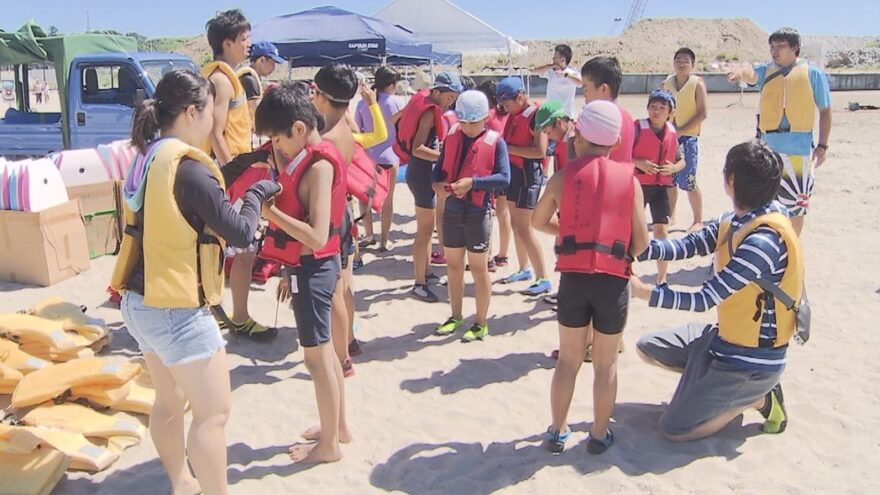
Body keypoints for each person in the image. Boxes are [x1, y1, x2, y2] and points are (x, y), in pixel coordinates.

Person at [111, 70, 280, 494]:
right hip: (175, 309)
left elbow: (201, 194)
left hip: (139, 299)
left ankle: (181, 482)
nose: (216, 122)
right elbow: (240, 231)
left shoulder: (149, 156)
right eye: (213, 111)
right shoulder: (188, 168)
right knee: (213, 414)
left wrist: (243, 166)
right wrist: (258, 194)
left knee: (169, 402)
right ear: (192, 112)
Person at [631, 139, 804, 441]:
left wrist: (645, 292)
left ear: (731, 180)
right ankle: (717, 388)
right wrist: (638, 249)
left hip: (753, 358)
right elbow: (688, 245)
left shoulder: (762, 242)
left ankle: (758, 397)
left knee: (675, 430)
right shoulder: (737, 219)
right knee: (649, 346)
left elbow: (704, 299)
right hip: (727, 337)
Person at [532, 100, 648, 455]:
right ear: (615, 143)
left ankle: (557, 430)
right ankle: (598, 434)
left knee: (568, 360)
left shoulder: (561, 178)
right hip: (612, 280)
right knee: (605, 363)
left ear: (577, 135)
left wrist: (568, 233)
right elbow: (640, 243)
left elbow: (537, 222)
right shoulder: (630, 180)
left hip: (574, 279)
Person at [255, 83, 350, 463]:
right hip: (306, 267)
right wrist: (283, 269)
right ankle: (338, 427)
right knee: (326, 354)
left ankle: (328, 447)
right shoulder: (308, 158)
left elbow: (317, 233)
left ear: (298, 129)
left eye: (278, 139)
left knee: (317, 359)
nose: (276, 147)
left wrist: (269, 213)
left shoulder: (320, 166)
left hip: (315, 269)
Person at [202, 9, 272, 338]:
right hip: (229, 176)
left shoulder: (228, 75)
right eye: (244, 39)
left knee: (238, 249)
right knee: (242, 247)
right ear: (227, 42)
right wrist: (229, 177)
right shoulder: (220, 80)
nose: (249, 45)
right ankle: (238, 316)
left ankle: (228, 313)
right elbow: (216, 134)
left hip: (232, 173)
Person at [727, 27, 832, 236]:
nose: (774, 51)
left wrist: (822, 145)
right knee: (762, 202)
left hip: (799, 151)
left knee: (796, 206)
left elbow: (825, 112)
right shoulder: (766, 71)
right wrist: (740, 72)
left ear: (795, 48)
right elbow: (751, 75)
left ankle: (791, 249)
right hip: (768, 150)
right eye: (772, 47)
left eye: (780, 47)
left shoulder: (813, 74)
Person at [432, 90, 511, 341]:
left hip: (478, 211)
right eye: (462, 122)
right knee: (453, 267)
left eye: (472, 123)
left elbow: (504, 178)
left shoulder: (496, 142)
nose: (466, 128)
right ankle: (455, 316)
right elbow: (438, 169)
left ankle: (480, 322)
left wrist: (473, 182)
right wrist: (436, 185)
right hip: (453, 209)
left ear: (485, 119)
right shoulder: (453, 135)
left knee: (479, 270)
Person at [394, 72, 464, 302]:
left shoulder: (423, 103)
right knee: (424, 232)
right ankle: (419, 284)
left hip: (421, 172)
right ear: (436, 91)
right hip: (421, 173)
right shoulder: (427, 113)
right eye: (449, 97)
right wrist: (445, 156)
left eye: (454, 98)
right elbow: (418, 148)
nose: (450, 102)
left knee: (426, 229)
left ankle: (427, 273)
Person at [310, 64, 360, 378]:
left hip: (331, 217)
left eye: (314, 92)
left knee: (336, 290)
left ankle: (342, 359)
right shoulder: (344, 128)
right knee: (345, 285)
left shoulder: (326, 137)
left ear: (324, 97)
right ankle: (350, 343)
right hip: (344, 213)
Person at [496, 76, 552, 296]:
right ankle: (524, 269)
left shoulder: (536, 115)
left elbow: (539, 151)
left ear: (520, 97)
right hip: (514, 173)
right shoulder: (516, 114)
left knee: (525, 227)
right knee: (516, 224)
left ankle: (543, 277)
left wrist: (508, 149)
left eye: (508, 105)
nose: (506, 110)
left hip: (529, 173)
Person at [632, 89, 685, 285]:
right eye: (653, 107)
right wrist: (639, 162)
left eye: (662, 108)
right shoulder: (636, 128)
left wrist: (673, 168)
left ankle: (662, 278)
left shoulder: (671, 132)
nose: (656, 111)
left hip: (660, 188)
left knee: (662, 232)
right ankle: (627, 271)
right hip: (637, 187)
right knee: (632, 231)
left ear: (670, 112)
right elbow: (621, 155)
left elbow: (682, 161)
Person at [355, 66, 403, 252]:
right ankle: (384, 239)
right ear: (391, 84)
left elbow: (359, 131)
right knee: (387, 200)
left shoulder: (362, 103)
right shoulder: (396, 103)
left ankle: (369, 234)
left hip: (368, 157)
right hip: (390, 156)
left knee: (364, 197)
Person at [662, 47, 707, 231]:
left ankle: (698, 219)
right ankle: (671, 215)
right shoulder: (667, 83)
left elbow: (702, 113)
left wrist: (681, 130)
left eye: (686, 61)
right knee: (669, 179)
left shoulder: (697, 84)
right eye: (678, 60)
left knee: (689, 179)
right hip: (670, 136)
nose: (681, 64)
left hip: (688, 137)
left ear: (692, 64)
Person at [477, 79, 509, 272]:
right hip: (508, 167)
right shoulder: (506, 114)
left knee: (488, 211)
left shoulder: (486, 117)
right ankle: (503, 254)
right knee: (503, 213)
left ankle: (487, 257)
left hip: (491, 167)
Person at [580, 57, 634, 165]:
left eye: (586, 89)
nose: (584, 94)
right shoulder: (628, 117)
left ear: (603, 89)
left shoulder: (596, 119)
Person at [238, 40, 285, 126]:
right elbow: (257, 112)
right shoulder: (249, 79)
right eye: (272, 63)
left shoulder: (248, 76)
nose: (274, 68)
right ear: (262, 60)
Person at [533, 44, 581, 118]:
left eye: (555, 57)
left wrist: (565, 75)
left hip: (565, 115)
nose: (553, 59)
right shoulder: (551, 72)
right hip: (550, 114)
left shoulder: (571, 72)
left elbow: (580, 82)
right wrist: (551, 66)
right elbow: (536, 71)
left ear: (563, 60)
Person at [534, 100, 575, 173]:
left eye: (548, 132)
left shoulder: (578, 140)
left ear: (559, 123)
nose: (548, 137)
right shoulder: (561, 140)